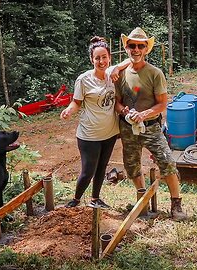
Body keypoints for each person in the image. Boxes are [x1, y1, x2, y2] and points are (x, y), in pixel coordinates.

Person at [114, 27, 187, 220]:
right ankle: (143, 200)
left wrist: (145, 113)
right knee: (132, 165)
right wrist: (124, 111)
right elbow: (117, 101)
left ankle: (176, 205)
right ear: (126, 48)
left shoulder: (155, 73)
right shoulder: (120, 74)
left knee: (167, 162)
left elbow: (163, 103)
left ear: (146, 49)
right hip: (127, 127)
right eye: (132, 46)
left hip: (152, 127)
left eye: (140, 46)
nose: (136, 49)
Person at [61, 36, 129, 209]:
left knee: (102, 167)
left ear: (109, 58)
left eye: (104, 57)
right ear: (91, 59)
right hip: (89, 134)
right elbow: (76, 103)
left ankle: (95, 199)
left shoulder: (113, 75)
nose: (101, 61)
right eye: (97, 58)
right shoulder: (83, 79)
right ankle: (75, 200)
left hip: (110, 132)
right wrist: (69, 110)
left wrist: (117, 67)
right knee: (88, 170)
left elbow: (132, 58)